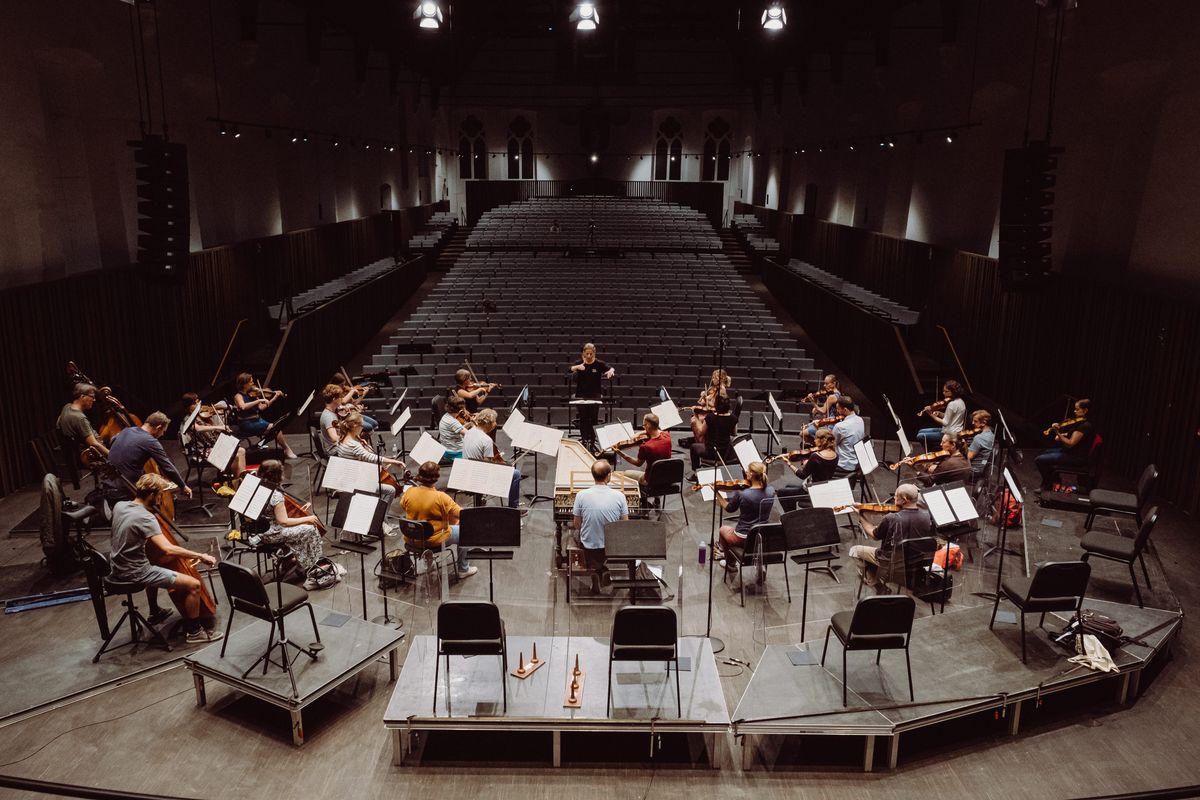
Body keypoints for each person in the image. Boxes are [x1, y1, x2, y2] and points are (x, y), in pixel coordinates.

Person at [109, 473, 222, 643]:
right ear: (152, 495)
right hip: (135, 572)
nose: (161, 498)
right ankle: (195, 632)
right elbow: (167, 549)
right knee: (194, 585)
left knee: (155, 562)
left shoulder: (120, 506)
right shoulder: (146, 518)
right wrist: (201, 555)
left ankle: (154, 612)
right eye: (160, 494)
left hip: (117, 566)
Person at [252, 459, 332, 588]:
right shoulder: (276, 496)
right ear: (278, 475)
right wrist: (308, 518)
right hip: (273, 534)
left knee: (301, 530)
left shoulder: (256, 488)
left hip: (259, 532)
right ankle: (314, 567)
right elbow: (283, 521)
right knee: (310, 529)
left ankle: (298, 561)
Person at [848, 483, 932, 591]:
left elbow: (874, 535)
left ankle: (877, 584)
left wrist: (860, 516)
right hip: (915, 559)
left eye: (896, 497)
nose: (894, 499)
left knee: (854, 551)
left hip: (891, 561)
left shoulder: (891, 518)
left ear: (904, 500)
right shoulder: (926, 515)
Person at [399, 461, 476, 578]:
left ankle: (429, 564)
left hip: (412, 538)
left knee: (424, 524)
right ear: (436, 478)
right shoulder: (441, 497)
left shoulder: (409, 492)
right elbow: (462, 515)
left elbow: (403, 506)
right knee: (465, 532)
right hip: (433, 540)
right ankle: (463, 569)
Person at [100, 411, 192, 506]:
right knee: (152, 501)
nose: (162, 435)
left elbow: (112, 442)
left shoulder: (127, 430)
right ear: (158, 428)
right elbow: (168, 467)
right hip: (125, 491)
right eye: (163, 431)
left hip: (107, 486)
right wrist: (183, 486)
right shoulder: (150, 441)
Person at [330, 412, 404, 512]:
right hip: (357, 482)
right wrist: (394, 461)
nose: (362, 428)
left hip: (348, 477)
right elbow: (371, 457)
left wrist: (362, 443)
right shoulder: (353, 445)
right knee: (391, 490)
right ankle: (381, 517)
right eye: (361, 425)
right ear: (355, 426)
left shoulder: (342, 438)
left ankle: (374, 510)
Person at [571, 460, 630, 584]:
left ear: (593, 475)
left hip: (589, 546)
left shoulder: (581, 495)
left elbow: (577, 524)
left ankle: (596, 568)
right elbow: (625, 525)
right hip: (610, 545)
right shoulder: (620, 496)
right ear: (608, 475)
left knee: (575, 533)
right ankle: (600, 568)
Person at [714, 461, 776, 564]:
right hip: (762, 535)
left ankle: (730, 563)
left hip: (742, 537)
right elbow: (759, 492)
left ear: (751, 474)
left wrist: (716, 493)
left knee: (722, 530)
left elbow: (729, 508)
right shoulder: (771, 491)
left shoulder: (742, 493)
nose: (746, 472)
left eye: (747, 470)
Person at [461, 408, 523, 509]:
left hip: (467, 472)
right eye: (494, 421)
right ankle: (514, 508)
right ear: (487, 423)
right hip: (479, 477)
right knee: (515, 474)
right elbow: (488, 466)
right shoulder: (486, 440)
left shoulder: (469, 432)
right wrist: (502, 465)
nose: (495, 424)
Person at [181, 393, 247, 479]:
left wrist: (221, 427)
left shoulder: (202, 416)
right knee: (235, 456)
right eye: (194, 403)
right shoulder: (187, 419)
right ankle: (237, 480)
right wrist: (218, 427)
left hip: (213, 445)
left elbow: (212, 430)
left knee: (241, 450)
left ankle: (241, 479)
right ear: (188, 406)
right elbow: (198, 429)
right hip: (203, 451)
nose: (198, 405)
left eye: (198, 402)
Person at [232, 372, 296, 458]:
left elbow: (261, 407)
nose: (253, 383)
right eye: (251, 382)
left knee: (276, 429)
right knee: (275, 428)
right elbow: (243, 407)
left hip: (258, 420)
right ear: (244, 384)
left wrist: (274, 398)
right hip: (247, 423)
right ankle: (286, 449)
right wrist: (258, 400)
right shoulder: (238, 396)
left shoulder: (252, 394)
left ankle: (260, 444)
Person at [1035, 399, 1096, 490]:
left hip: (1076, 457)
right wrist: (1063, 435)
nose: (1074, 411)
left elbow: (1071, 443)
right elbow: (1072, 434)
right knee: (1044, 452)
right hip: (1070, 452)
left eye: (1077, 409)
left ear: (1085, 411)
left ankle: (1047, 485)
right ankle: (1055, 481)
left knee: (1039, 460)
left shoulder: (1085, 426)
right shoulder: (1081, 422)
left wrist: (1057, 433)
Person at [775, 428, 840, 512]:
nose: (814, 440)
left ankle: (790, 515)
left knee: (781, 492)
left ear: (822, 440)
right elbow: (820, 468)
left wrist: (788, 463)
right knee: (788, 486)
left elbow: (802, 475)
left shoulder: (815, 456)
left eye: (816, 438)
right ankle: (793, 512)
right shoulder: (835, 455)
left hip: (811, 490)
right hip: (823, 487)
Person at [569, 342, 616, 450]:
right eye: (587, 354)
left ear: (594, 353)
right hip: (581, 395)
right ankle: (584, 440)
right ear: (583, 353)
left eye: (591, 354)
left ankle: (592, 440)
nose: (589, 356)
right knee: (583, 418)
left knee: (593, 418)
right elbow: (569, 369)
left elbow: (610, 368)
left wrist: (611, 371)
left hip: (595, 395)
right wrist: (578, 367)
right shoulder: (580, 362)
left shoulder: (598, 363)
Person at [612, 413, 673, 492]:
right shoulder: (667, 436)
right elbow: (658, 431)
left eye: (644, 425)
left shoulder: (646, 446)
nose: (643, 427)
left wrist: (620, 453)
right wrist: (641, 433)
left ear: (648, 426)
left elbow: (638, 463)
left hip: (650, 480)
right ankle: (657, 497)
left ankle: (639, 495)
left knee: (625, 473)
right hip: (667, 478)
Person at [688, 393, 735, 479]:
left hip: (712, 452)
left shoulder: (710, 417)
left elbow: (700, 432)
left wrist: (696, 417)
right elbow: (733, 433)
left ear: (716, 404)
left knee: (693, 447)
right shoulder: (733, 418)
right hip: (727, 452)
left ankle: (696, 473)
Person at [57, 383, 109, 460]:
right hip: (88, 458)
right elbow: (94, 444)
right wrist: (111, 454)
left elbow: (58, 424)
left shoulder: (67, 407)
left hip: (73, 455)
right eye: (92, 397)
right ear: (82, 396)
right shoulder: (79, 418)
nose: (94, 400)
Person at [915, 380, 967, 451]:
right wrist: (939, 413)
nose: (943, 393)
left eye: (946, 391)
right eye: (943, 391)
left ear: (953, 392)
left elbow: (945, 423)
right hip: (955, 430)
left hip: (950, 434)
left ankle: (933, 452)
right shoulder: (960, 401)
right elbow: (950, 417)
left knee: (920, 436)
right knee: (921, 431)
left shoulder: (952, 404)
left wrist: (930, 414)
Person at [690, 369, 731, 446]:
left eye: (714, 378)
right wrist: (704, 398)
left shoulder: (721, 390)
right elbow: (704, 402)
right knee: (693, 419)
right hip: (710, 412)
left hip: (715, 414)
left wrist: (706, 398)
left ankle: (701, 442)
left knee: (694, 421)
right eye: (712, 377)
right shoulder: (714, 388)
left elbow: (715, 405)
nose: (712, 380)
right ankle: (699, 441)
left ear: (721, 379)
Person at [800, 374, 841, 445]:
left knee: (803, 433)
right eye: (824, 383)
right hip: (830, 422)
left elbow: (823, 411)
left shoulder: (832, 397)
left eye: (827, 383)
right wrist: (816, 406)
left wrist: (813, 402)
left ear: (833, 384)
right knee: (807, 427)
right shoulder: (837, 393)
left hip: (831, 426)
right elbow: (826, 410)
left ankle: (820, 447)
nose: (824, 385)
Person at [832, 395, 866, 476]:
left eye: (838, 409)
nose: (837, 411)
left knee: (816, 462)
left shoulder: (840, 426)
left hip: (843, 465)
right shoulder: (860, 420)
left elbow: (832, 445)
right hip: (856, 463)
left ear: (845, 410)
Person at [438, 394, 471, 458]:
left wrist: (471, 423)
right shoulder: (453, 422)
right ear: (461, 410)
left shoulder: (446, 416)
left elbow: (460, 428)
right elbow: (469, 435)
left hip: (447, 449)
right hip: (455, 453)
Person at [966, 410, 996, 478]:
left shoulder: (979, 438)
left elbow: (968, 457)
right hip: (982, 468)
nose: (972, 423)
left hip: (973, 470)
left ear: (983, 423)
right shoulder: (991, 434)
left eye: (975, 421)